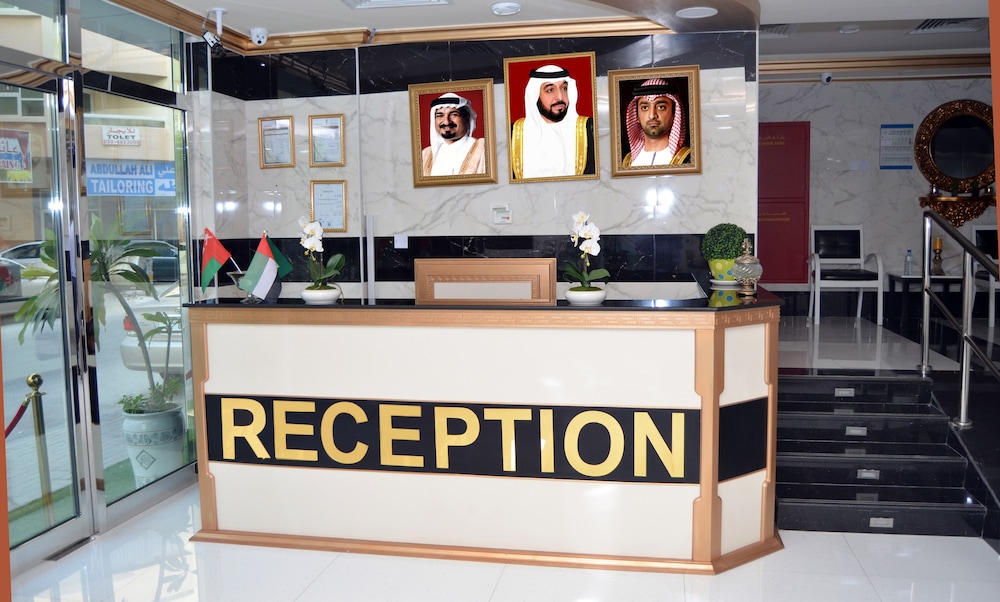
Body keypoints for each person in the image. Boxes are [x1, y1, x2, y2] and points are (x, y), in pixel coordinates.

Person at [510, 64, 595, 179]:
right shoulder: (513, 134)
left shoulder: (590, 129)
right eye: (550, 90)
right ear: (535, 95)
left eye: (564, 88)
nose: (560, 97)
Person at [621, 78, 691, 168]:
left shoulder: (688, 159)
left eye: (661, 107)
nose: (652, 115)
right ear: (636, 116)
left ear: (674, 114)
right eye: (645, 108)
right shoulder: (626, 162)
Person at [421, 92, 486, 176]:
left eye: (454, 114)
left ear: (466, 117)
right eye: (440, 115)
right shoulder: (425, 154)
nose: (446, 122)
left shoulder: (484, 148)